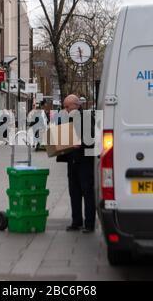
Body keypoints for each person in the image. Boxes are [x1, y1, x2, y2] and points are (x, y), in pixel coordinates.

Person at [57, 95, 96, 234]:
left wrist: (80, 144)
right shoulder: (68, 118)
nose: (65, 109)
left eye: (67, 106)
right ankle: (76, 221)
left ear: (76, 105)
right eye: (64, 107)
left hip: (85, 162)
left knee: (87, 192)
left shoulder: (86, 117)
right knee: (74, 192)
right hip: (72, 161)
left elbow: (92, 139)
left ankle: (89, 224)